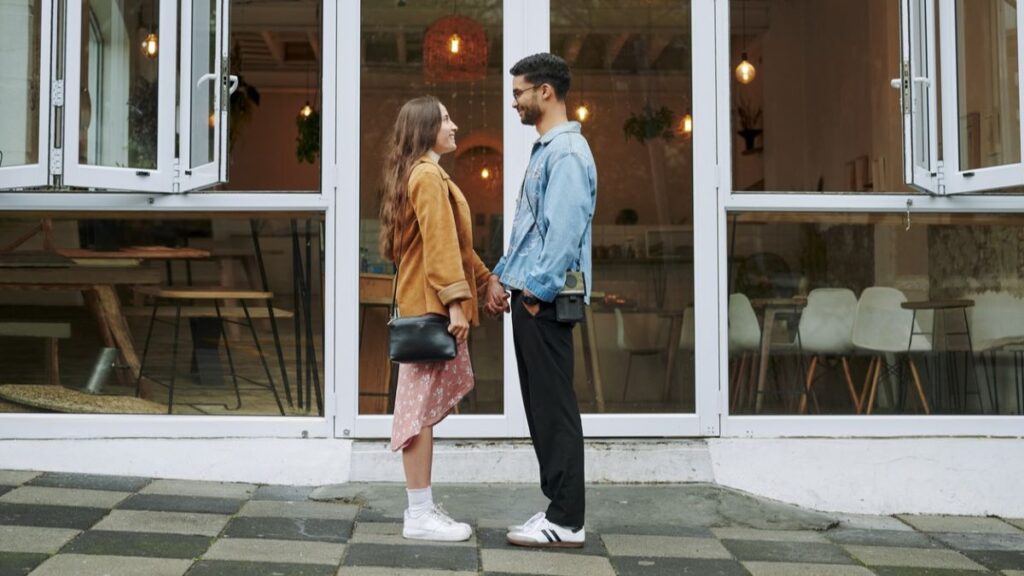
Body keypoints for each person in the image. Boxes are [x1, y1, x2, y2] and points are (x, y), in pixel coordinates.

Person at [380, 95, 507, 542]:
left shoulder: (425, 174)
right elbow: (438, 244)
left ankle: (422, 506)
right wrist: (456, 301)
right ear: (426, 128)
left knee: (421, 413)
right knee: (416, 415)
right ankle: (418, 514)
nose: (455, 125)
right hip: (430, 309)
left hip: (426, 305)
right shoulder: (428, 175)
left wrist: (487, 278)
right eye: (446, 119)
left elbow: (454, 244)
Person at [487, 53, 598, 548]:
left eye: (519, 92)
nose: (514, 102)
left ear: (545, 92)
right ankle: (557, 509)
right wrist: (501, 277)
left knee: (554, 409)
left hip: (546, 301)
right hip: (533, 296)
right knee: (542, 407)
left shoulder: (568, 154)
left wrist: (534, 292)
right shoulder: (546, 150)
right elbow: (531, 234)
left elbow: (564, 234)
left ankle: (568, 520)